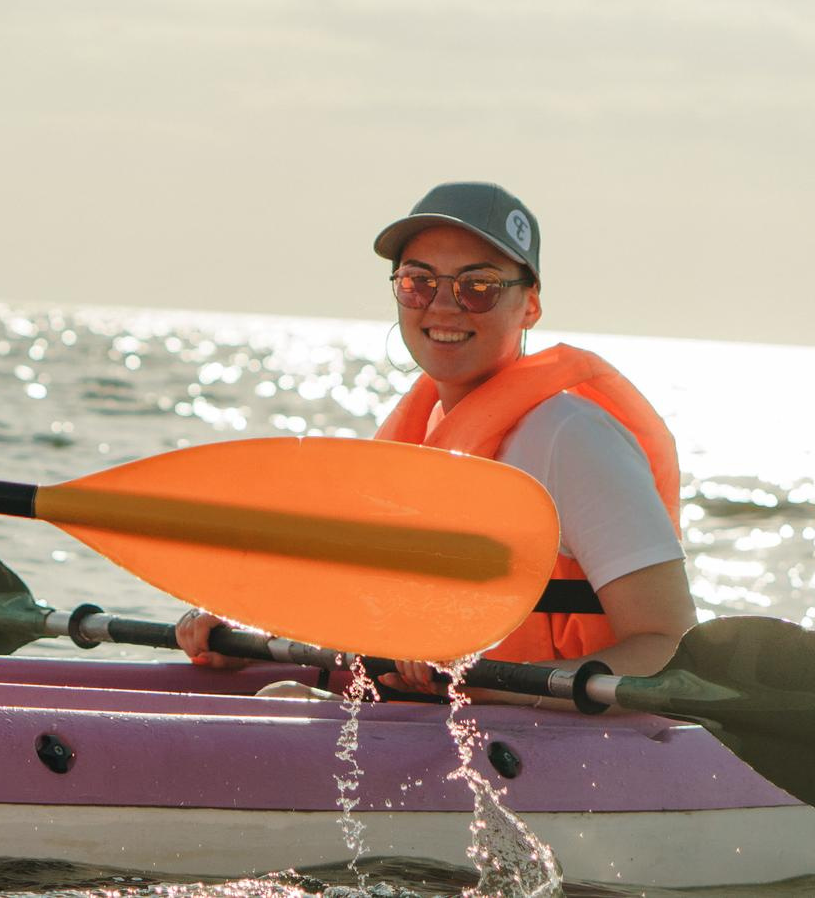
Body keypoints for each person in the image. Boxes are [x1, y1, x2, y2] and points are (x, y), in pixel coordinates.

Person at [178, 182, 694, 699]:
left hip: (550, 746)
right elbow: (364, 610)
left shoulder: (572, 439)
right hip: (443, 730)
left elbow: (670, 647)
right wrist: (248, 631)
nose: (444, 306)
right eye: (418, 282)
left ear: (530, 305)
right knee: (279, 695)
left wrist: (484, 687)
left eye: (479, 286)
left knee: (283, 706)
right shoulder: (421, 438)